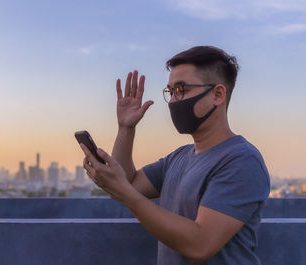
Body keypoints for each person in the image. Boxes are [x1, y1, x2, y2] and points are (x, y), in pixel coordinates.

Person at [79, 46, 270, 265]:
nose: (172, 101)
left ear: (218, 95)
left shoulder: (241, 160)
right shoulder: (179, 157)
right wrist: (125, 128)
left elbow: (200, 244)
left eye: (181, 90)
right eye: (170, 92)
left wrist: (123, 190)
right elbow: (128, 184)